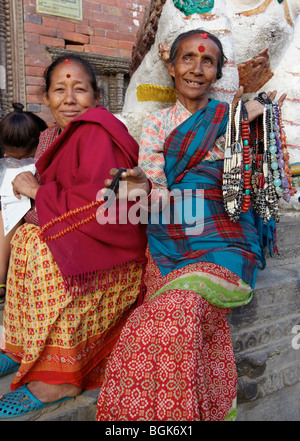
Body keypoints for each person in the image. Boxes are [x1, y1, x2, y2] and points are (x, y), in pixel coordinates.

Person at [96, 29, 286, 421]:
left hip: (228, 242)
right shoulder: (155, 125)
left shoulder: (236, 119)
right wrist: (134, 188)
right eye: (187, 59)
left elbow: (252, 185)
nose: (196, 69)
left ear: (217, 73)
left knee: (172, 313)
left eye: (208, 62)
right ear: (170, 65)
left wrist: (251, 117)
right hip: (170, 245)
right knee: (161, 321)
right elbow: (157, 188)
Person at [0, 54, 147, 418]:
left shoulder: (98, 130)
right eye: (59, 90)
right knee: (25, 239)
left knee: (40, 251)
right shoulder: (52, 135)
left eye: (79, 89)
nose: (69, 98)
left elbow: (99, 206)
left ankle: (62, 377)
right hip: (76, 229)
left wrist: (36, 193)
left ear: (96, 97)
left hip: (110, 247)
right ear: (46, 97)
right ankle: (24, 348)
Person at [0, 103, 47, 305]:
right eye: (13, 161)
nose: (20, 167)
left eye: (27, 160)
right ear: (5, 154)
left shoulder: (46, 140)